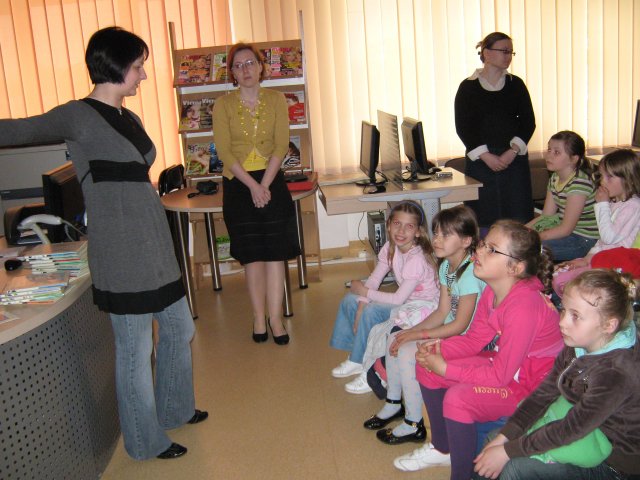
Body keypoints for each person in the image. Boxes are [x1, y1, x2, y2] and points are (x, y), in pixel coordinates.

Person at [0, 27, 206, 460]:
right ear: (115, 65)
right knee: (135, 350)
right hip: (121, 250)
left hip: (153, 243)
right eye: (138, 66)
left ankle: (174, 409)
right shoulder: (77, 115)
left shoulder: (130, 118)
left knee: (178, 328)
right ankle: (145, 442)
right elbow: (16, 129)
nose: (143, 75)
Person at [393, 220, 564, 480]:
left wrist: (447, 368)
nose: (479, 251)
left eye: (491, 250)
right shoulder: (494, 291)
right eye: (483, 244)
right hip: (511, 368)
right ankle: (443, 449)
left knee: (458, 398)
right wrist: (438, 349)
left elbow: (500, 376)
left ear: (515, 268)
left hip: (533, 389)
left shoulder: (524, 306)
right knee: (427, 367)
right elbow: (474, 340)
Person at [474, 269, 640, 480]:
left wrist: (507, 451)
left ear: (609, 325)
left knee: (516, 468)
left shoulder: (616, 372)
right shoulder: (580, 343)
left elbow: (571, 428)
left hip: (616, 463)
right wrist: (505, 437)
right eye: (564, 310)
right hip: (590, 433)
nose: (562, 322)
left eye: (575, 316)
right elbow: (544, 393)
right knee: (494, 439)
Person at [364, 205, 486, 445]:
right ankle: (393, 402)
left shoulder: (469, 273)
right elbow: (442, 312)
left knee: (409, 351)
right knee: (396, 337)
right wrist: (410, 332)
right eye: (436, 233)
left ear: (466, 241)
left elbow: (460, 325)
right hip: (451, 330)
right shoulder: (446, 266)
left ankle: (414, 422)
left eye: (445, 235)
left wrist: (418, 335)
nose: (437, 239)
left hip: (467, 338)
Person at [212, 43, 299, 345]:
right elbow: (224, 151)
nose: (245, 69)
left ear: (261, 67)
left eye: (250, 63)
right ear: (232, 73)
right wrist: (253, 186)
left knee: (275, 254)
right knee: (252, 256)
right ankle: (258, 317)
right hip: (239, 185)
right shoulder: (222, 105)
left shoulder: (276, 100)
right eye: (238, 65)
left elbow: (281, 145)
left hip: (271, 180)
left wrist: (265, 185)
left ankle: (276, 318)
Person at [329, 201, 440, 393]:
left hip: (423, 307)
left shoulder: (417, 259)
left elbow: (397, 300)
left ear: (418, 232)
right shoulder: (390, 247)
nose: (401, 231)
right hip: (406, 301)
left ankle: (365, 365)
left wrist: (364, 293)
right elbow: (374, 280)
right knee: (351, 301)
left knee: (372, 310)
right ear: (388, 225)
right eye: (397, 223)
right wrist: (361, 304)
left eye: (409, 226)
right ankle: (357, 356)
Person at [455, 32, 536, 228]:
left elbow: (528, 122)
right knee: (482, 217)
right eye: (504, 51)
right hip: (481, 162)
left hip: (513, 161)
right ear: (487, 53)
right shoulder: (467, 87)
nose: (508, 56)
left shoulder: (516, 84)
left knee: (517, 218)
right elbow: (464, 127)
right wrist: (486, 156)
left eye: (511, 52)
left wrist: (512, 152)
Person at [553, 149, 640, 297]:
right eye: (602, 176)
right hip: (600, 258)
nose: (603, 181)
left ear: (628, 179)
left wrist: (602, 205)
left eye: (609, 177)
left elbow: (609, 238)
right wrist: (586, 259)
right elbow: (601, 242)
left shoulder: (633, 206)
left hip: (615, 266)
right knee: (557, 274)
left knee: (566, 283)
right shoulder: (615, 202)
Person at [526, 131, 598, 262]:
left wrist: (535, 237)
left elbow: (566, 229)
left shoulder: (579, 184)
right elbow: (546, 216)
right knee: (519, 243)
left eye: (556, 152)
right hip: (567, 233)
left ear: (574, 159)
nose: (549, 155)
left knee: (528, 250)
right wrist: (522, 230)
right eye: (549, 150)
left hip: (584, 240)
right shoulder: (555, 178)